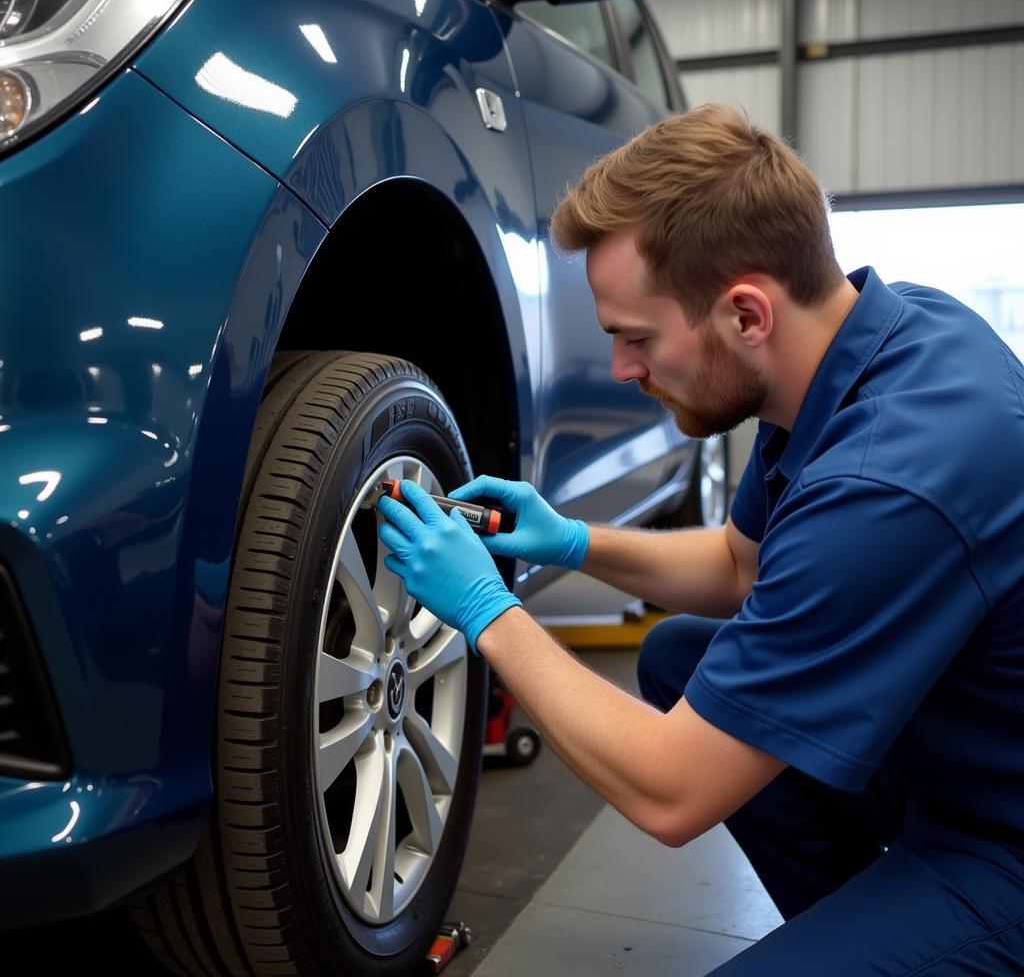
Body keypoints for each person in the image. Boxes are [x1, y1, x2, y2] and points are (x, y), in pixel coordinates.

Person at [376, 103, 1024, 975]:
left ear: (746, 314)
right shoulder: (869, 344)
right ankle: (863, 930)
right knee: (681, 656)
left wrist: (487, 612)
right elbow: (737, 565)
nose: (622, 371)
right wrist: (570, 540)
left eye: (636, 337)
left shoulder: (887, 481)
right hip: (957, 758)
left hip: (1001, 842)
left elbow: (673, 792)